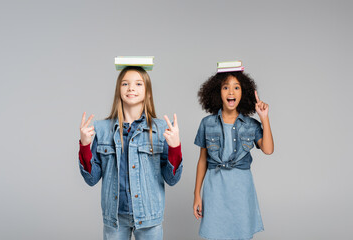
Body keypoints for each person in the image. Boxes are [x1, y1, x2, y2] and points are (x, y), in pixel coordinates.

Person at [78, 66, 183, 240]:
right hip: (115, 218)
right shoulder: (102, 129)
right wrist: (84, 146)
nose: (131, 88)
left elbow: (172, 179)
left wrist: (175, 147)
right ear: (118, 90)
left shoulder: (162, 129)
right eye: (125, 84)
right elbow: (91, 179)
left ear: (148, 92)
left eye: (138, 84)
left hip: (149, 216)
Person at [193, 70, 274, 240]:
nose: (231, 92)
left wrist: (264, 118)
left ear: (243, 92)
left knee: (241, 233)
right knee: (216, 233)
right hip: (215, 188)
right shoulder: (207, 123)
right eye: (225, 87)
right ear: (217, 92)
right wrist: (197, 195)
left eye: (236, 87)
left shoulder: (250, 124)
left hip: (241, 189)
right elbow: (202, 161)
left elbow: (268, 149)